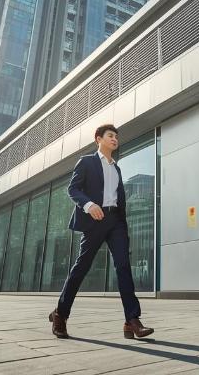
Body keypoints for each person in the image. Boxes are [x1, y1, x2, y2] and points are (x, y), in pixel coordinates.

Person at [49, 124, 154, 339]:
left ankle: (132, 320)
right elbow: (73, 189)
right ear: (99, 139)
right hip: (94, 220)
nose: (115, 139)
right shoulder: (86, 162)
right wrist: (88, 205)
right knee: (82, 267)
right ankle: (61, 314)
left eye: (116, 136)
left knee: (124, 266)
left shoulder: (117, 168)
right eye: (110, 136)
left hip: (115, 221)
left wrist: (122, 221)